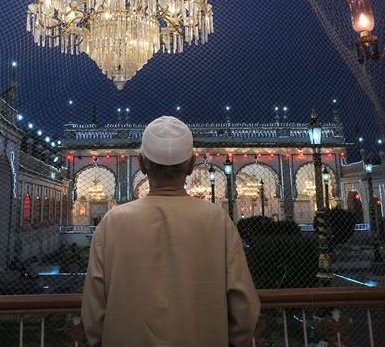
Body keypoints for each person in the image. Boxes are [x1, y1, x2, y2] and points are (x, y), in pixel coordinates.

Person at [82, 116, 260, 347]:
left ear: (142, 164)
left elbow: (93, 314)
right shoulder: (217, 220)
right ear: (190, 164)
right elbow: (244, 307)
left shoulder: (112, 223)